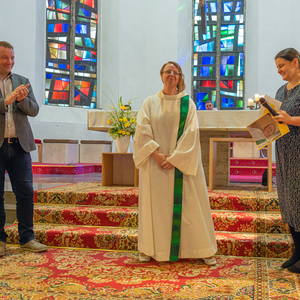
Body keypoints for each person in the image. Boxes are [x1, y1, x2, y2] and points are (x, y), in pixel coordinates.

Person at [133, 61, 217, 265]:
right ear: (161, 76)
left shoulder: (188, 103)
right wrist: (157, 155)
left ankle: (201, 248)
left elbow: (191, 133)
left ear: (180, 78)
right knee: (154, 206)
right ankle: (149, 248)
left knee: (190, 205)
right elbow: (142, 131)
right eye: (168, 72)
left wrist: (176, 158)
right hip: (155, 164)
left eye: (175, 72)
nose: (171, 75)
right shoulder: (149, 102)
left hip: (181, 164)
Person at [0, 41, 48, 256]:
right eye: (4, 58)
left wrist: (20, 100)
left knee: (26, 193)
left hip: (19, 146)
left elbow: (34, 110)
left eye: (12, 58)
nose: (9, 62)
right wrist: (5, 101)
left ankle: (27, 238)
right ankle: (0, 241)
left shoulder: (22, 81)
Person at [272, 48, 300, 273]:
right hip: (283, 150)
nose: (279, 70)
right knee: (288, 201)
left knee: (299, 201)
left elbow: (289, 119)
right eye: (277, 67)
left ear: (296, 62)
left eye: (282, 65)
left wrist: (291, 120)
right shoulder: (281, 90)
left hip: (299, 152)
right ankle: (297, 252)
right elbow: (277, 119)